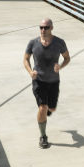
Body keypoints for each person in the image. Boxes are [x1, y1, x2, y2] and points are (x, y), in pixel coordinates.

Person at [23, 18, 70, 149]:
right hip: (39, 81)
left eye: (46, 27)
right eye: (41, 27)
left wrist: (60, 66)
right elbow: (25, 59)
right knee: (42, 107)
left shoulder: (59, 42)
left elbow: (67, 58)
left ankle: (48, 110)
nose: (43, 30)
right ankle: (43, 136)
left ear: (52, 28)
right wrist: (30, 71)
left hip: (54, 81)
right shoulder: (33, 43)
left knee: (52, 108)